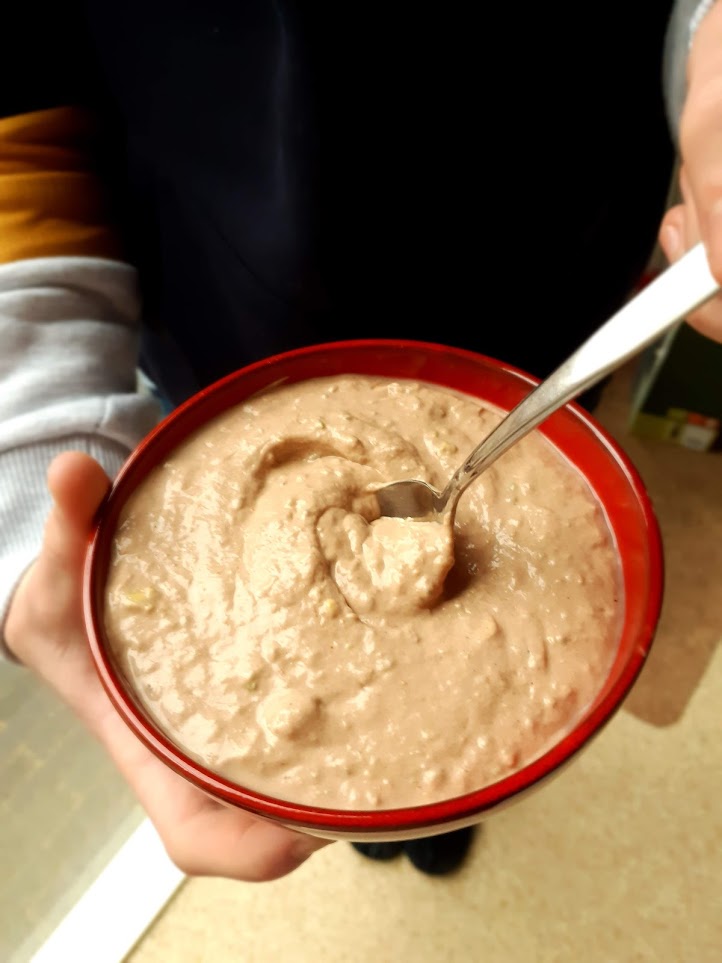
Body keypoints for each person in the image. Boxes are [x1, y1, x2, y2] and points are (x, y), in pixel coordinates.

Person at [2, 0, 722, 885]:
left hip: (552, 286)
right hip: (224, 304)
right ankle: (397, 813)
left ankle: (435, 814)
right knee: (378, 794)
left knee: (442, 791)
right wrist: (29, 452)